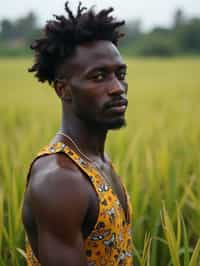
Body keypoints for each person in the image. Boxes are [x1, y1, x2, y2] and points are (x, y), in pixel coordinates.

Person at [22, 2, 133, 265]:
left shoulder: (97, 159)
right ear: (64, 90)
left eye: (120, 73)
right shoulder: (60, 179)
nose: (118, 88)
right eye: (98, 76)